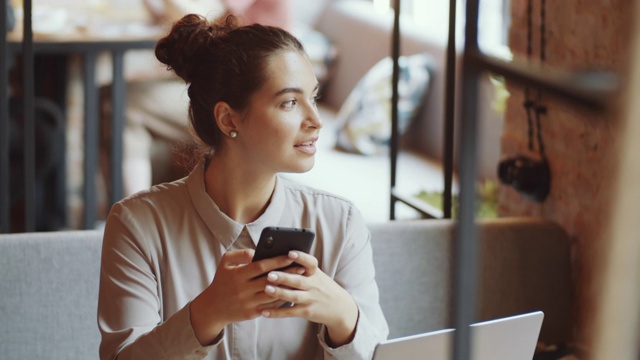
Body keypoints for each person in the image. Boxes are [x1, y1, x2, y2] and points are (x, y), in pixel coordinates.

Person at [97, 13, 389, 360]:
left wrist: (344, 315)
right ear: (228, 119)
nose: (316, 120)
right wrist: (208, 313)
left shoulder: (340, 224)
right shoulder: (138, 224)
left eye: (313, 97)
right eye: (290, 102)